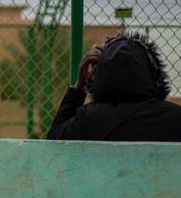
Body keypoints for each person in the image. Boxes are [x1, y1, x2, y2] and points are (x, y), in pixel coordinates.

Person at [48, 32, 181, 142]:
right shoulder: (175, 118)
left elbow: (53, 141)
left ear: (100, 75)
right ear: (153, 72)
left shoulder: (88, 119)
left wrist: (79, 86)